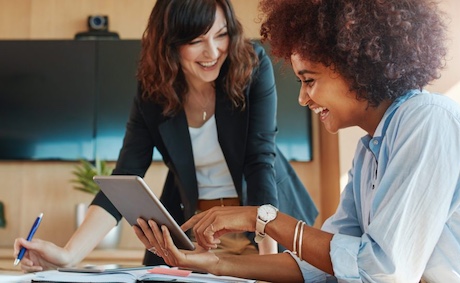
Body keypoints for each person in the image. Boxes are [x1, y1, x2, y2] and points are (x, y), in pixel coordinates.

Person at [131, 0, 460, 282]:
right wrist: (213, 263)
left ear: (356, 64)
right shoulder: (369, 151)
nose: (303, 98)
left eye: (309, 80)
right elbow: (324, 265)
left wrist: (262, 217)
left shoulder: (428, 120)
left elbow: (381, 271)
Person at [13, 0, 318, 272]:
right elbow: (125, 176)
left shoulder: (251, 66)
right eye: (196, 40)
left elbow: (259, 160)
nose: (213, 51)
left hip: (265, 224)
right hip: (199, 233)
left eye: (221, 34)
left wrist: (268, 261)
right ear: (170, 43)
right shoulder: (154, 91)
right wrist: (67, 255)